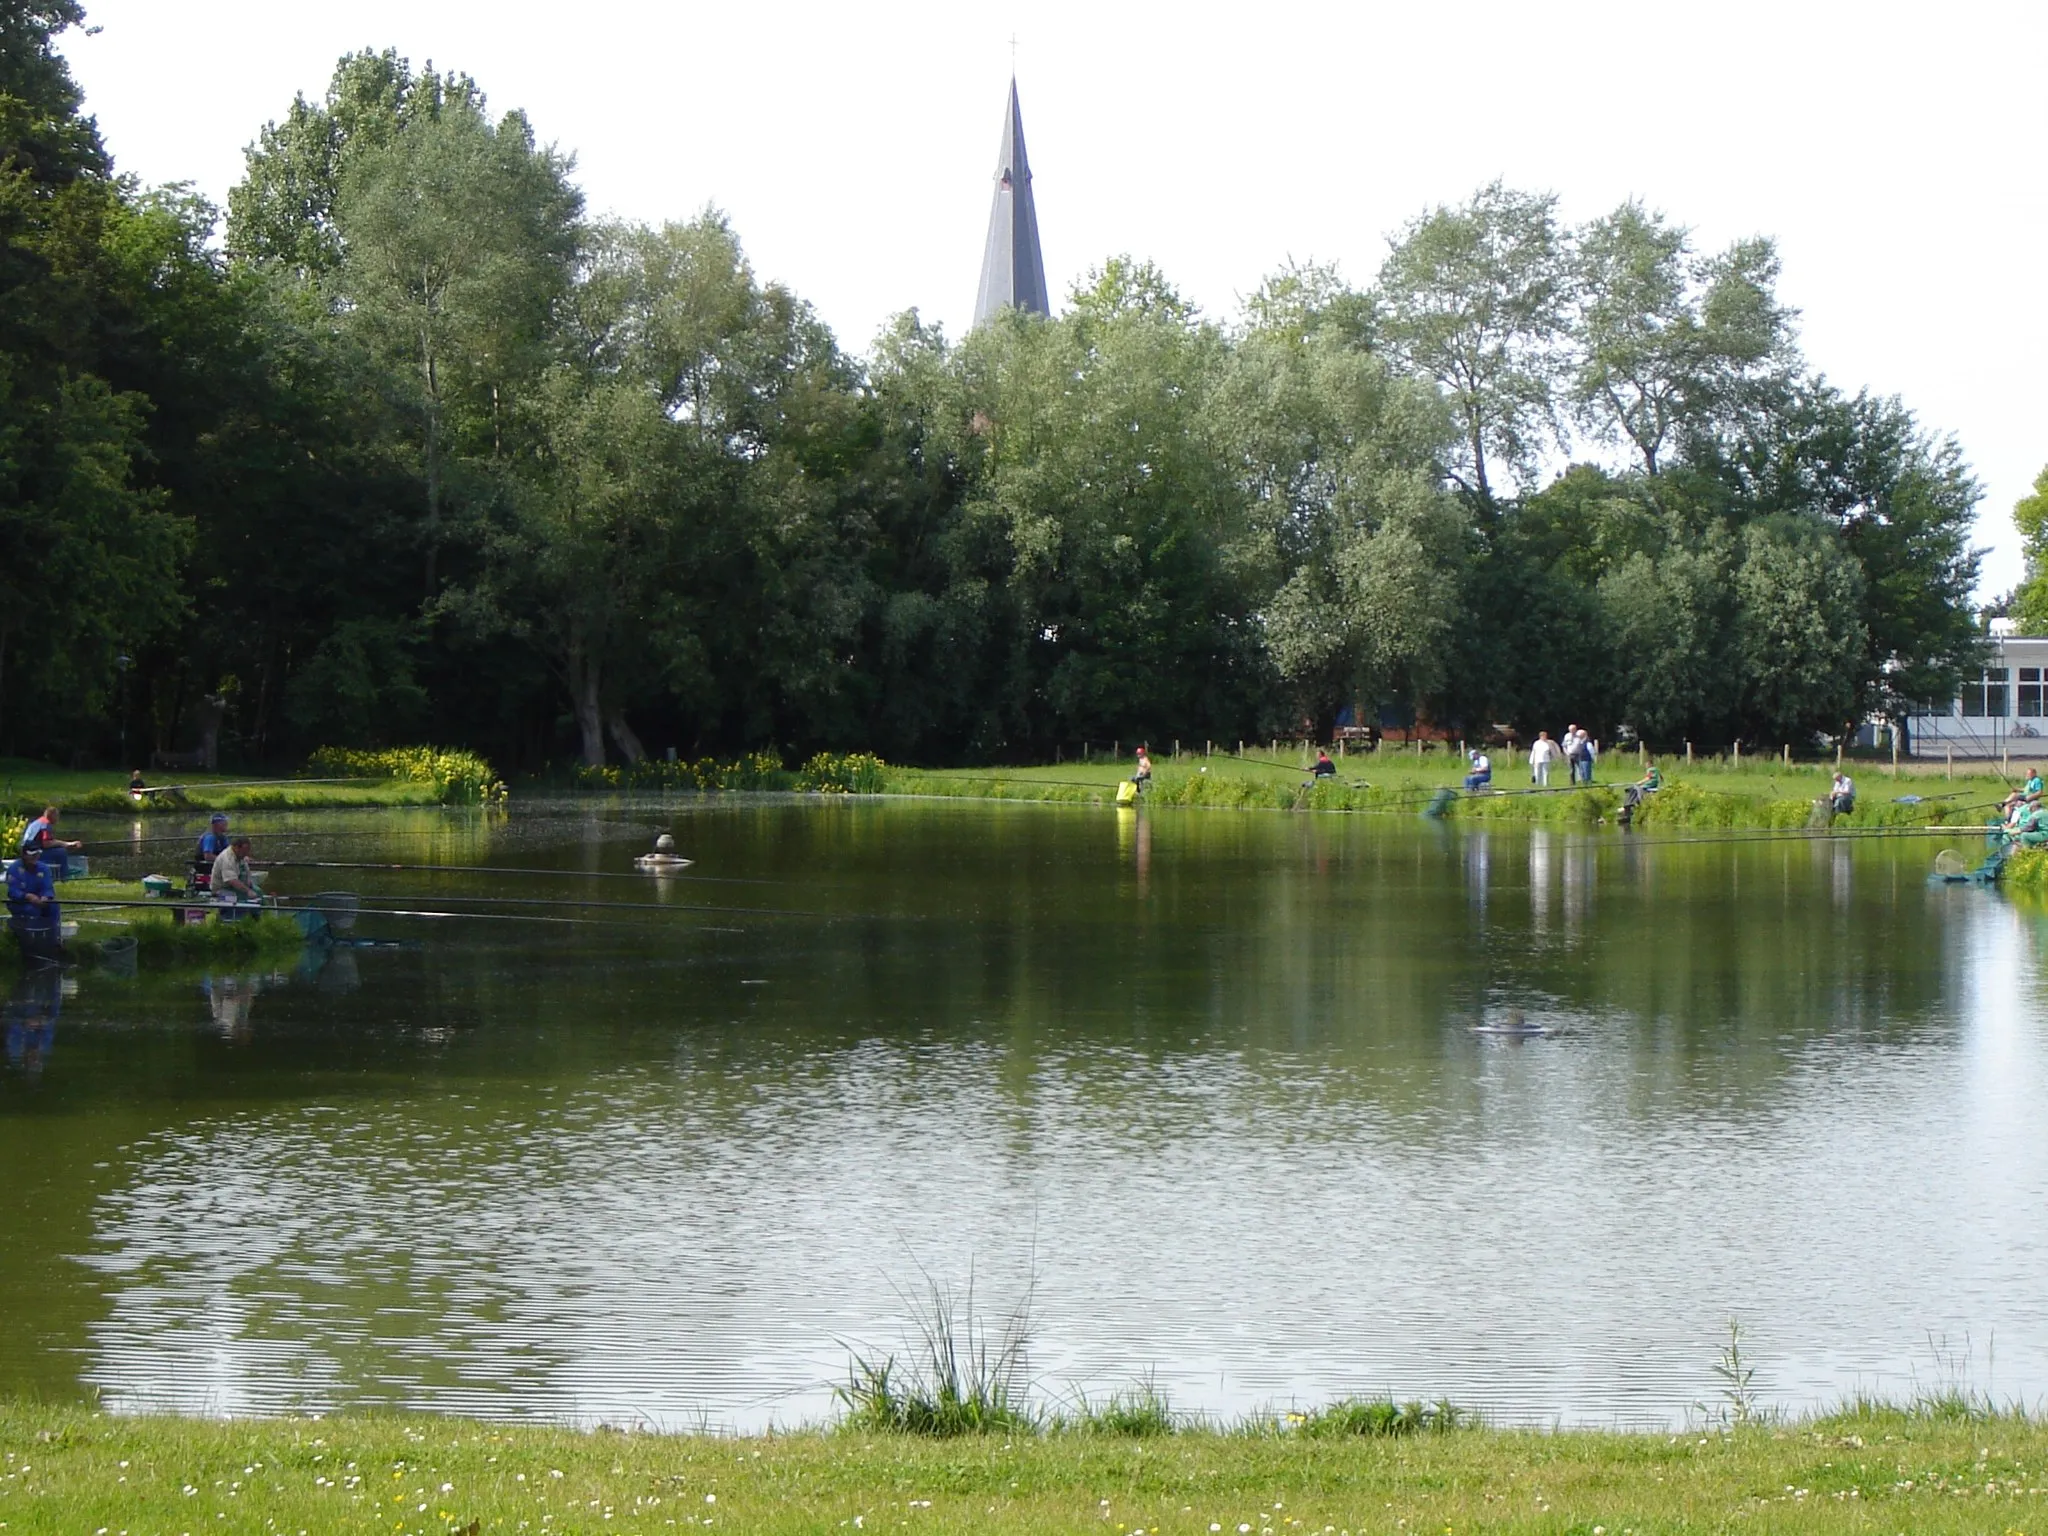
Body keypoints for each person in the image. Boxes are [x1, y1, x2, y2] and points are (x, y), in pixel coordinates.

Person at [5, 844, 59, 948]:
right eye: (32, 854)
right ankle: (32, 942)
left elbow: (48, 887)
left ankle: (53, 939)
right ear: (24, 855)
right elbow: (13, 891)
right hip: (21, 903)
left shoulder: (44, 869)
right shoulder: (14, 869)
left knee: (54, 907)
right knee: (32, 910)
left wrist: (46, 897)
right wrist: (27, 896)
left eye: (37, 854)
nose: (35, 857)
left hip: (41, 901)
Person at [20, 805, 81, 881]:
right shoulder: (45, 824)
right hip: (33, 853)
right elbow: (46, 844)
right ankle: (64, 878)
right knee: (61, 852)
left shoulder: (38, 822)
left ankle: (56, 875)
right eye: (57, 816)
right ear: (53, 815)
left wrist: (63, 844)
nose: (58, 818)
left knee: (58, 850)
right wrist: (65, 844)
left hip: (26, 851)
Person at [211, 835, 261, 912]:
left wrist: (249, 883)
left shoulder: (240, 856)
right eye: (245, 851)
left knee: (258, 891)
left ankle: (266, 914)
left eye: (248, 850)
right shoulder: (227, 858)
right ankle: (251, 917)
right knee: (248, 897)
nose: (246, 853)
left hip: (236, 888)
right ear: (237, 847)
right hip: (222, 890)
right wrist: (248, 891)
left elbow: (246, 871)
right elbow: (232, 881)